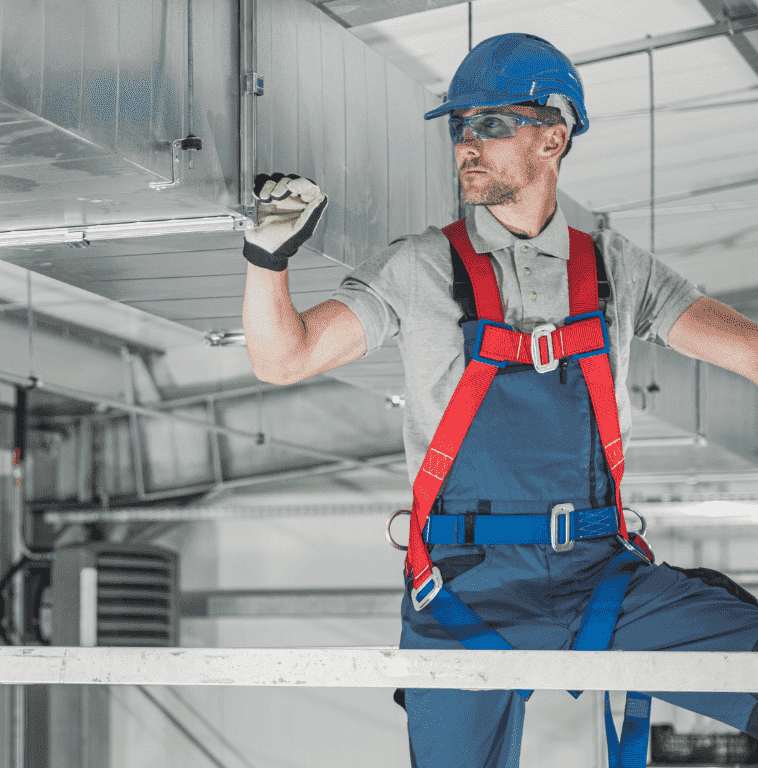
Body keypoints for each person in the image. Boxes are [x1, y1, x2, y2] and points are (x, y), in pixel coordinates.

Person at [241, 32, 758, 768]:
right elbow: (282, 357)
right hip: (464, 587)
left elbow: (748, 348)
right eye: (459, 128)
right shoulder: (417, 267)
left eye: (490, 124)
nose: (466, 146)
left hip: (598, 572)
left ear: (555, 134)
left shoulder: (615, 270)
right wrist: (267, 259)